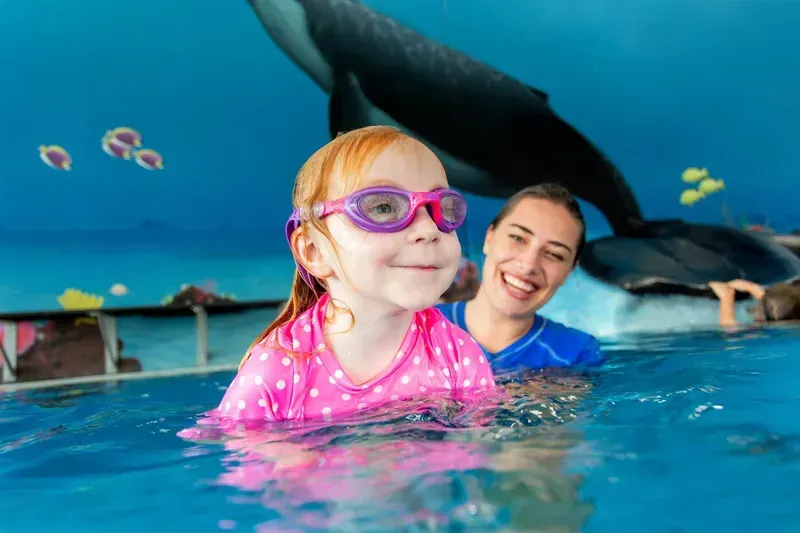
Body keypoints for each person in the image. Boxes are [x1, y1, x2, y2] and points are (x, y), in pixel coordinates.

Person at [211, 125, 496, 422]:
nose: (428, 228)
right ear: (314, 251)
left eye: (443, 208)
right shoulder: (276, 372)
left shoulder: (456, 354)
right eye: (383, 207)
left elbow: (478, 443)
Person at [437, 183, 604, 373]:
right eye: (517, 238)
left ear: (569, 271)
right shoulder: (416, 326)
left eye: (554, 254)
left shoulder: (576, 355)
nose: (529, 265)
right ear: (489, 238)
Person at [708, 278, 800, 327]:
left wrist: (726, 297)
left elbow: (729, 327)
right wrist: (753, 288)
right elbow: (776, 308)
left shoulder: (762, 331)